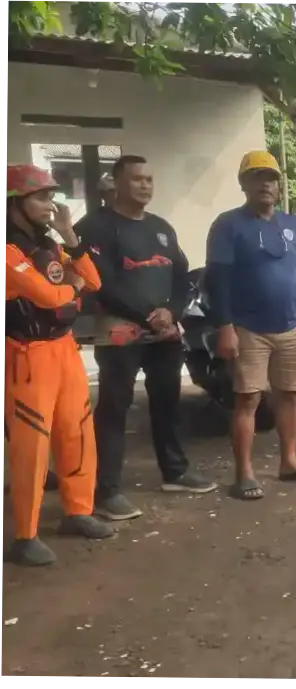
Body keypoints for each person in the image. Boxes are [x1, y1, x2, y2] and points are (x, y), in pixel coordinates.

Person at [75, 155, 217, 521]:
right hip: (120, 331)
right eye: (137, 179)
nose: (145, 185)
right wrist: (147, 317)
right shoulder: (96, 226)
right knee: (114, 408)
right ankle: (106, 489)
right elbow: (100, 282)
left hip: (165, 330)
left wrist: (173, 311)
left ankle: (175, 471)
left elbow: (183, 275)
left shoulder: (161, 227)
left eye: (149, 179)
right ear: (118, 183)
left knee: (167, 400)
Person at [3, 164, 115, 566]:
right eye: (41, 197)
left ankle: (78, 510)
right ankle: (25, 534)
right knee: (32, 443)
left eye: (51, 196)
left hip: (64, 349)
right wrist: (73, 290)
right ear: (14, 203)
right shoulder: (6, 249)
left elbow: (95, 281)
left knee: (77, 430)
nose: (51, 204)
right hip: (28, 354)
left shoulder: (50, 243)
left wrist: (71, 238)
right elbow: (48, 297)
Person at [204, 150, 296, 501]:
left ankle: (289, 462)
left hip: (290, 327)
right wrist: (224, 326)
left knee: (288, 396)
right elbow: (218, 280)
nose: (265, 184)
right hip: (248, 327)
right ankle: (244, 473)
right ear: (244, 184)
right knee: (248, 400)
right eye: (257, 177)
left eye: (271, 177)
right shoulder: (228, 225)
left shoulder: (292, 225)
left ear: (279, 185)